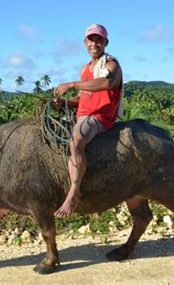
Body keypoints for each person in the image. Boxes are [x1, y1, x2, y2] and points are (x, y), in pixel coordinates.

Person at [53, 23, 123, 217]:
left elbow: (107, 82)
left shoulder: (111, 64)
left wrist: (72, 84)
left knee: (75, 140)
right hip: (83, 114)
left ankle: (74, 193)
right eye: (91, 39)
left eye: (99, 39)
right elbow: (84, 99)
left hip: (99, 117)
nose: (95, 43)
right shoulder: (85, 69)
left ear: (106, 42)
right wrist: (65, 103)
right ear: (85, 43)